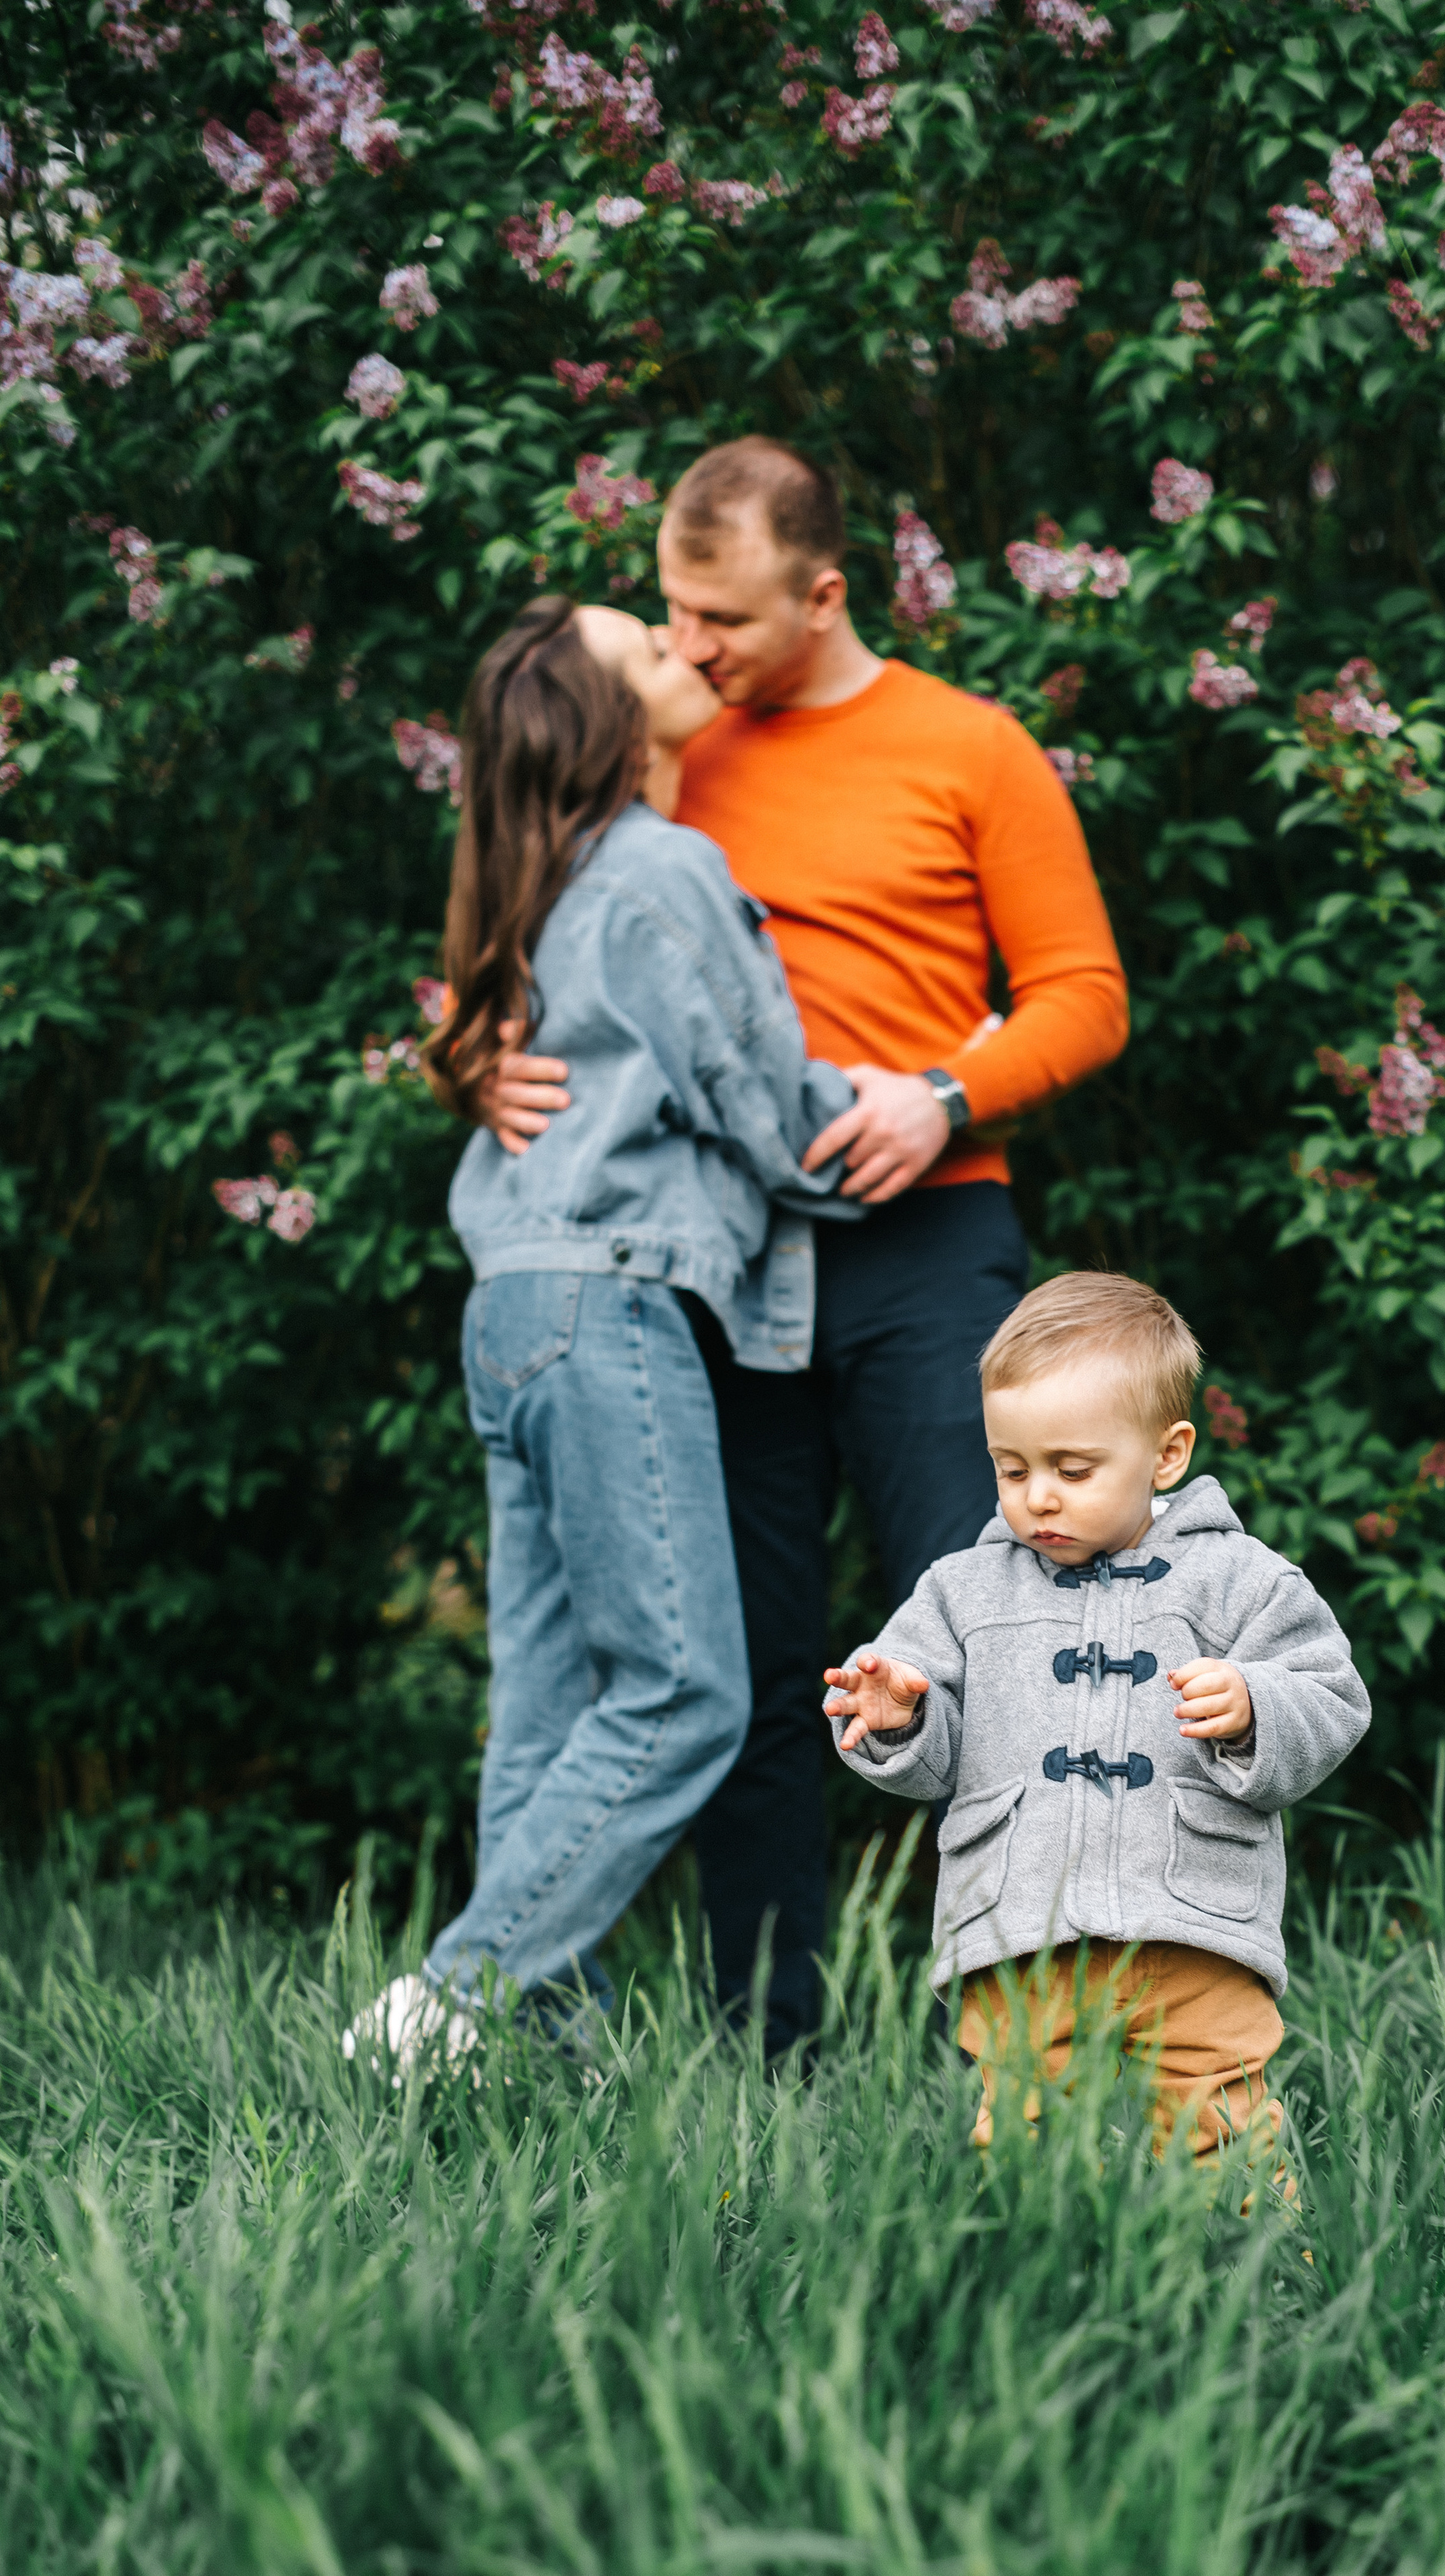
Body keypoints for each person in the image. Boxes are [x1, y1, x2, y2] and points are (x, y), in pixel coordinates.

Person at [481, 438, 1131, 2055]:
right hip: (715, 1262)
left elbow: (1086, 995)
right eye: (670, 614)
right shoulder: (663, 752)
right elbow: (534, 922)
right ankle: (765, 2044)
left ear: (824, 592)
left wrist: (942, 1095)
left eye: (721, 618)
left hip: (930, 1244)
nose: (687, 647)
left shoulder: (970, 749)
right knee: (755, 1671)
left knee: (980, 1630)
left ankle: (1008, 2026)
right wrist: (475, 1049)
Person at [343, 597, 860, 2071]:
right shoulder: (659, 871)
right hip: (608, 1302)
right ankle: (450, 1999)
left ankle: (528, 2063)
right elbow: (764, 1098)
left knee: (549, 1706)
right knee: (686, 1690)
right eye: (651, 651)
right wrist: (910, 1107)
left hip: (511, 1309)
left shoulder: (541, 880)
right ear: (609, 723)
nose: (684, 655)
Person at [823, 1272, 1370, 2151]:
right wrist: (898, 1721)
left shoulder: (1240, 1580)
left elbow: (1333, 1696)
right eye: (1012, 1467)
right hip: (1022, 1928)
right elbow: (934, 1757)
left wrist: (1254, 1708)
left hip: (1192, 1922)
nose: (1038, 1494)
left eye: (1072, 1469)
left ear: (1167, 1453)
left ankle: (1252, 2274)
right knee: (1023, 2129)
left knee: (1218, 2123)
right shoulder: (962, 1591)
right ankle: (1033, 2272)